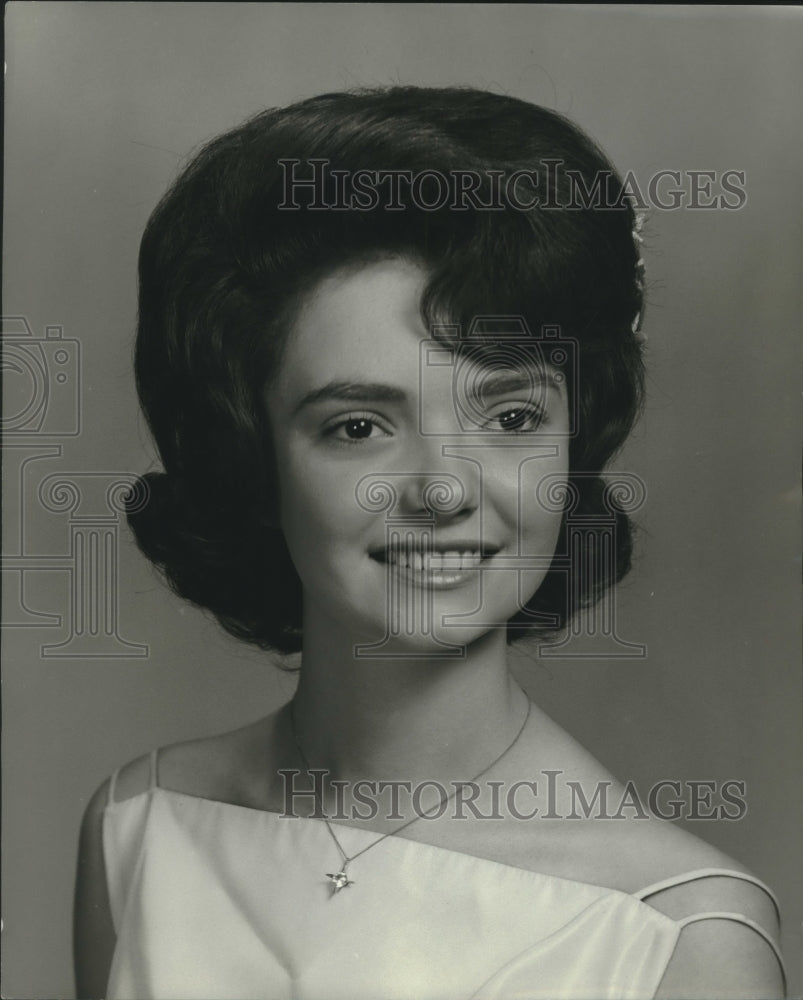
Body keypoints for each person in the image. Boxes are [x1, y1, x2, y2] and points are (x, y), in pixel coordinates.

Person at [73, 87, 785, 999]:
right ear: (251, 459)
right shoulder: (140, 823)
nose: (443, 489)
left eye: (511, 416)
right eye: (359, 427)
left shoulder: (679, 938)